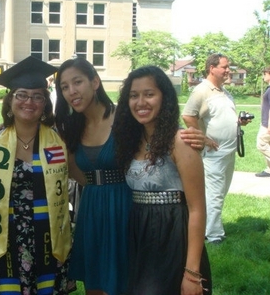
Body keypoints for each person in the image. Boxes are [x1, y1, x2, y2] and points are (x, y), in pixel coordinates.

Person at [54, 57, 205, 295]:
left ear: (95, 82)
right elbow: (71, 167)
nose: (72, 91)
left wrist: (198, 138)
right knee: (95, 285)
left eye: (77, 82)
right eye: (64, 86)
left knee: (127, 283)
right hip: (92, 210)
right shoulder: (69, 127)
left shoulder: (125, 119)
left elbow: (161, 133)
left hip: (127, 208)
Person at [0, 56, 74, 294]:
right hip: (4, 240)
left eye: (38, 96)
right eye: (22, 95)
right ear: (10, 101)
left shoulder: (60, 142)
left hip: (50, 240)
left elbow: (85, 175)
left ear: (45, 104)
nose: (30, 101)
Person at [113, 65, 212, 295]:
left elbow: (197, 209)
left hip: (173, 235)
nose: (141, 102)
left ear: (164, 98)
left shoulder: (180, 141)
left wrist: (192, 273)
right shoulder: (130, 140)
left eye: (149, 94)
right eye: (134, 96)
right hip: (140, 234)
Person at [182, 53, 251, 244]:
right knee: (214, 193)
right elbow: (188, 116)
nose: (228, 70)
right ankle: (213, 235)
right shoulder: (202, 91)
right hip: (213, 154)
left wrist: (239, 122)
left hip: (228, 152)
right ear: (212, 68)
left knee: (220, 192)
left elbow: (220, 118)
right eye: (225, 67)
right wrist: (203, 138)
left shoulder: (223, 91)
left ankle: (207, 228)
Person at [255, 66, 270, 177]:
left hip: (267, 124)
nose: (263, 76)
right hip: (265, 122)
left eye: (265, 74)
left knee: (261, 144)